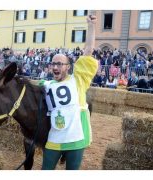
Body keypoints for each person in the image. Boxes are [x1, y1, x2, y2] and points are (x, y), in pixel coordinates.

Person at [39, 15, 98, 170]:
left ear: (68, 67)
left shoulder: (78, 79)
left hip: (76, 138)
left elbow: (88, 50)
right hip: (54, 138)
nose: (55, 67)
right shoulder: (46, 84)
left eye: (59, 63)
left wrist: (91, 26)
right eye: (53, 63)